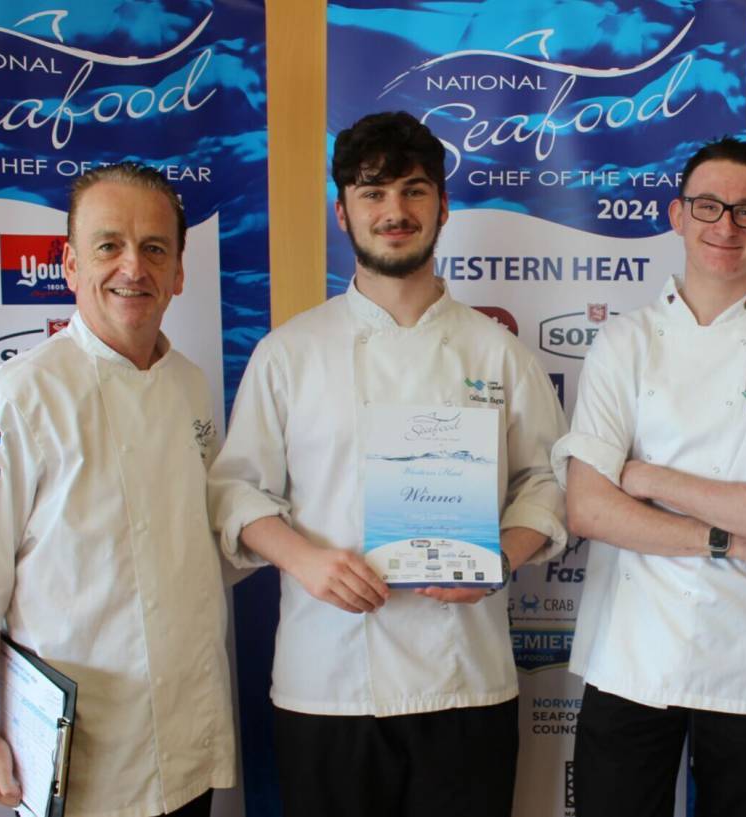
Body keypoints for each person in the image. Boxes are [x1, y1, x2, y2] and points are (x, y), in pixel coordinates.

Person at [207, 111, 567, 817]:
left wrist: (499, 556)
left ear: (443, 206)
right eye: (372, 193)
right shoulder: (290, 352)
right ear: (342, 211)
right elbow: (235, 491)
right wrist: (306, 560)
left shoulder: (496, 351)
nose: (394, 211)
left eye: (413, 190)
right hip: (330, 678)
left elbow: (548, 482)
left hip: (466, 677)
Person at [0, 163, 237, 816]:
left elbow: (202, 535)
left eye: (155, 248)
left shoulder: (190, 384)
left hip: (185, 736)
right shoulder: (16, 397)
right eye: (109, 246)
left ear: (179, 272)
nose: (133, 266)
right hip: (81, 757)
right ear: (70, 265)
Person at [551, 137, 746, 817]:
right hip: (631, 653)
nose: (725, 226)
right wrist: (730, 538)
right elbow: (590, 508)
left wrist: (647, 474)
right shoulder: (624, 341)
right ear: (678, 215)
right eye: (709, 206)